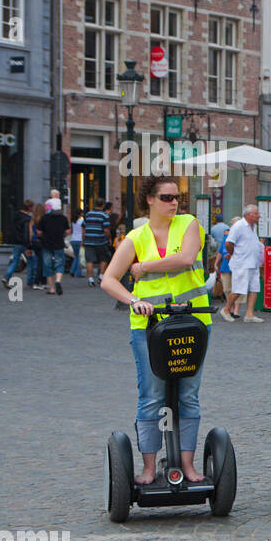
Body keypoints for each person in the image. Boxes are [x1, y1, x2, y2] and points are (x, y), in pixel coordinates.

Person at [100, 175, 211, 484]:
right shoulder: (136, 237)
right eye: (166, 197)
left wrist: (143, 267)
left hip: (193, 322)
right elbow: (108, 279)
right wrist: (133, 299)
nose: (174, 203)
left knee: (188, 395)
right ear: (149, 199)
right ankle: (149, 469)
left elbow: (186, 258)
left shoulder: (188, 224)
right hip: (148, 327)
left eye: (177, 197)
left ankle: (187, 466)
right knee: (151, 396)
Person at [222, 205, 265, 323]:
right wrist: (233, 254)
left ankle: (249, 314)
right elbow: (229, 243)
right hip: (242, 263)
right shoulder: (238, 226)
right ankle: (226, 310)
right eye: (256, 214)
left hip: (253, 263)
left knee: (254, 289)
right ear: (248, 215)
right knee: (239, 289)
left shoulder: (253, 226)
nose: (258, 216)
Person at [38, 203, 70, 296]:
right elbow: (67, 231)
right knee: (60, 264)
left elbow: (39, 232)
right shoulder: (63, 218)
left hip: (46, 244)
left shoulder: (44, 218)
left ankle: (51, 288)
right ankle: (58, 280)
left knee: (47, 266)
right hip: (59, 244)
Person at [2, 199, 34, 286]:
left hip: (16, 241)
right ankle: (30, 281)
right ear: (30, 208)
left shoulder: (16, 215)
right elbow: (27, 233)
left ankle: (6, 277)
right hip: (24, 243)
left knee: (15, 261)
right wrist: (29, 245)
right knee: (30, 261)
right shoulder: (28, 219)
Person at [82, 199, 112, 284]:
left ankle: (90, 279)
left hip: (88, 240)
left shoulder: (88, 214)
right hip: (100, 240)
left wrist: (83, 239)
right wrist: (109, 238)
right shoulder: (104, 215)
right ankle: (101, 276)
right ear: (103, 205)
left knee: (89, 260)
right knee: (103, 258)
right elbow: (106, 230)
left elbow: (84, 228)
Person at [68, 210, 84, 279]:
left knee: (76, 256)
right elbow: (83, 231)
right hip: (79, 239)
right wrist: (83, 240)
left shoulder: (73, 222)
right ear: (80, 214)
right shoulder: (81, 221)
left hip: (73, 239)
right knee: (78, 257)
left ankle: (75, 271)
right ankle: (75, 272)